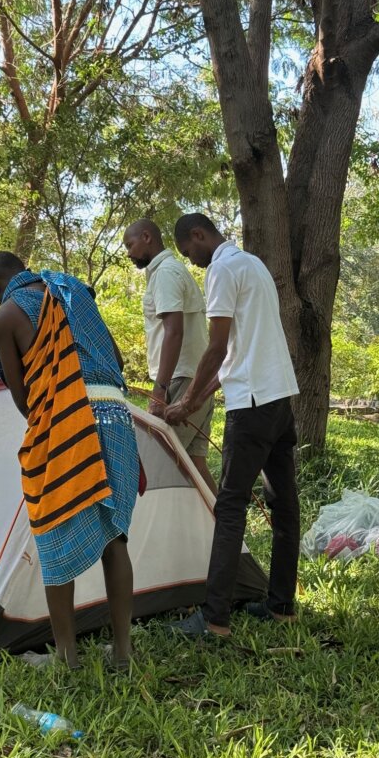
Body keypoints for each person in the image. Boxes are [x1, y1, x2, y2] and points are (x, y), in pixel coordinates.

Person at [0, 251, 140, 669]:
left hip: (65, 422)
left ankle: (66, 659)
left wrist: (59, 415)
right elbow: (117, 361)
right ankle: (122, 654)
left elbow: (24, 398)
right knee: (115, 538)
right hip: (117, 414)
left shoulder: (6, 317)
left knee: (53, 535)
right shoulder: (75, 291)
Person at [164, 213, 300, 638]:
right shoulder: (254, 264)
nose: (193, 260)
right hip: (279, 398)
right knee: (284, 503)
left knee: (230, 506)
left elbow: (218, 345)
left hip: (252, 404)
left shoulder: (222, 269)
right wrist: (197, 401)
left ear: (199, 235)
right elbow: (236, 352)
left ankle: (215, 618)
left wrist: (184, 400)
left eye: (190, 251)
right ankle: (281, 606)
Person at [123, 218, 217, 495]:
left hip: (182, 380)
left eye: (130, 245)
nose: (129, 253)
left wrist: (160, 390)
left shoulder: (165, 272)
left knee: (157, 461)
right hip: (195, 377)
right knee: (195, 465)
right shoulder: (169, 271)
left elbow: (173, 332)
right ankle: (226, 532)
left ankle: (159, 534)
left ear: (147, 237)